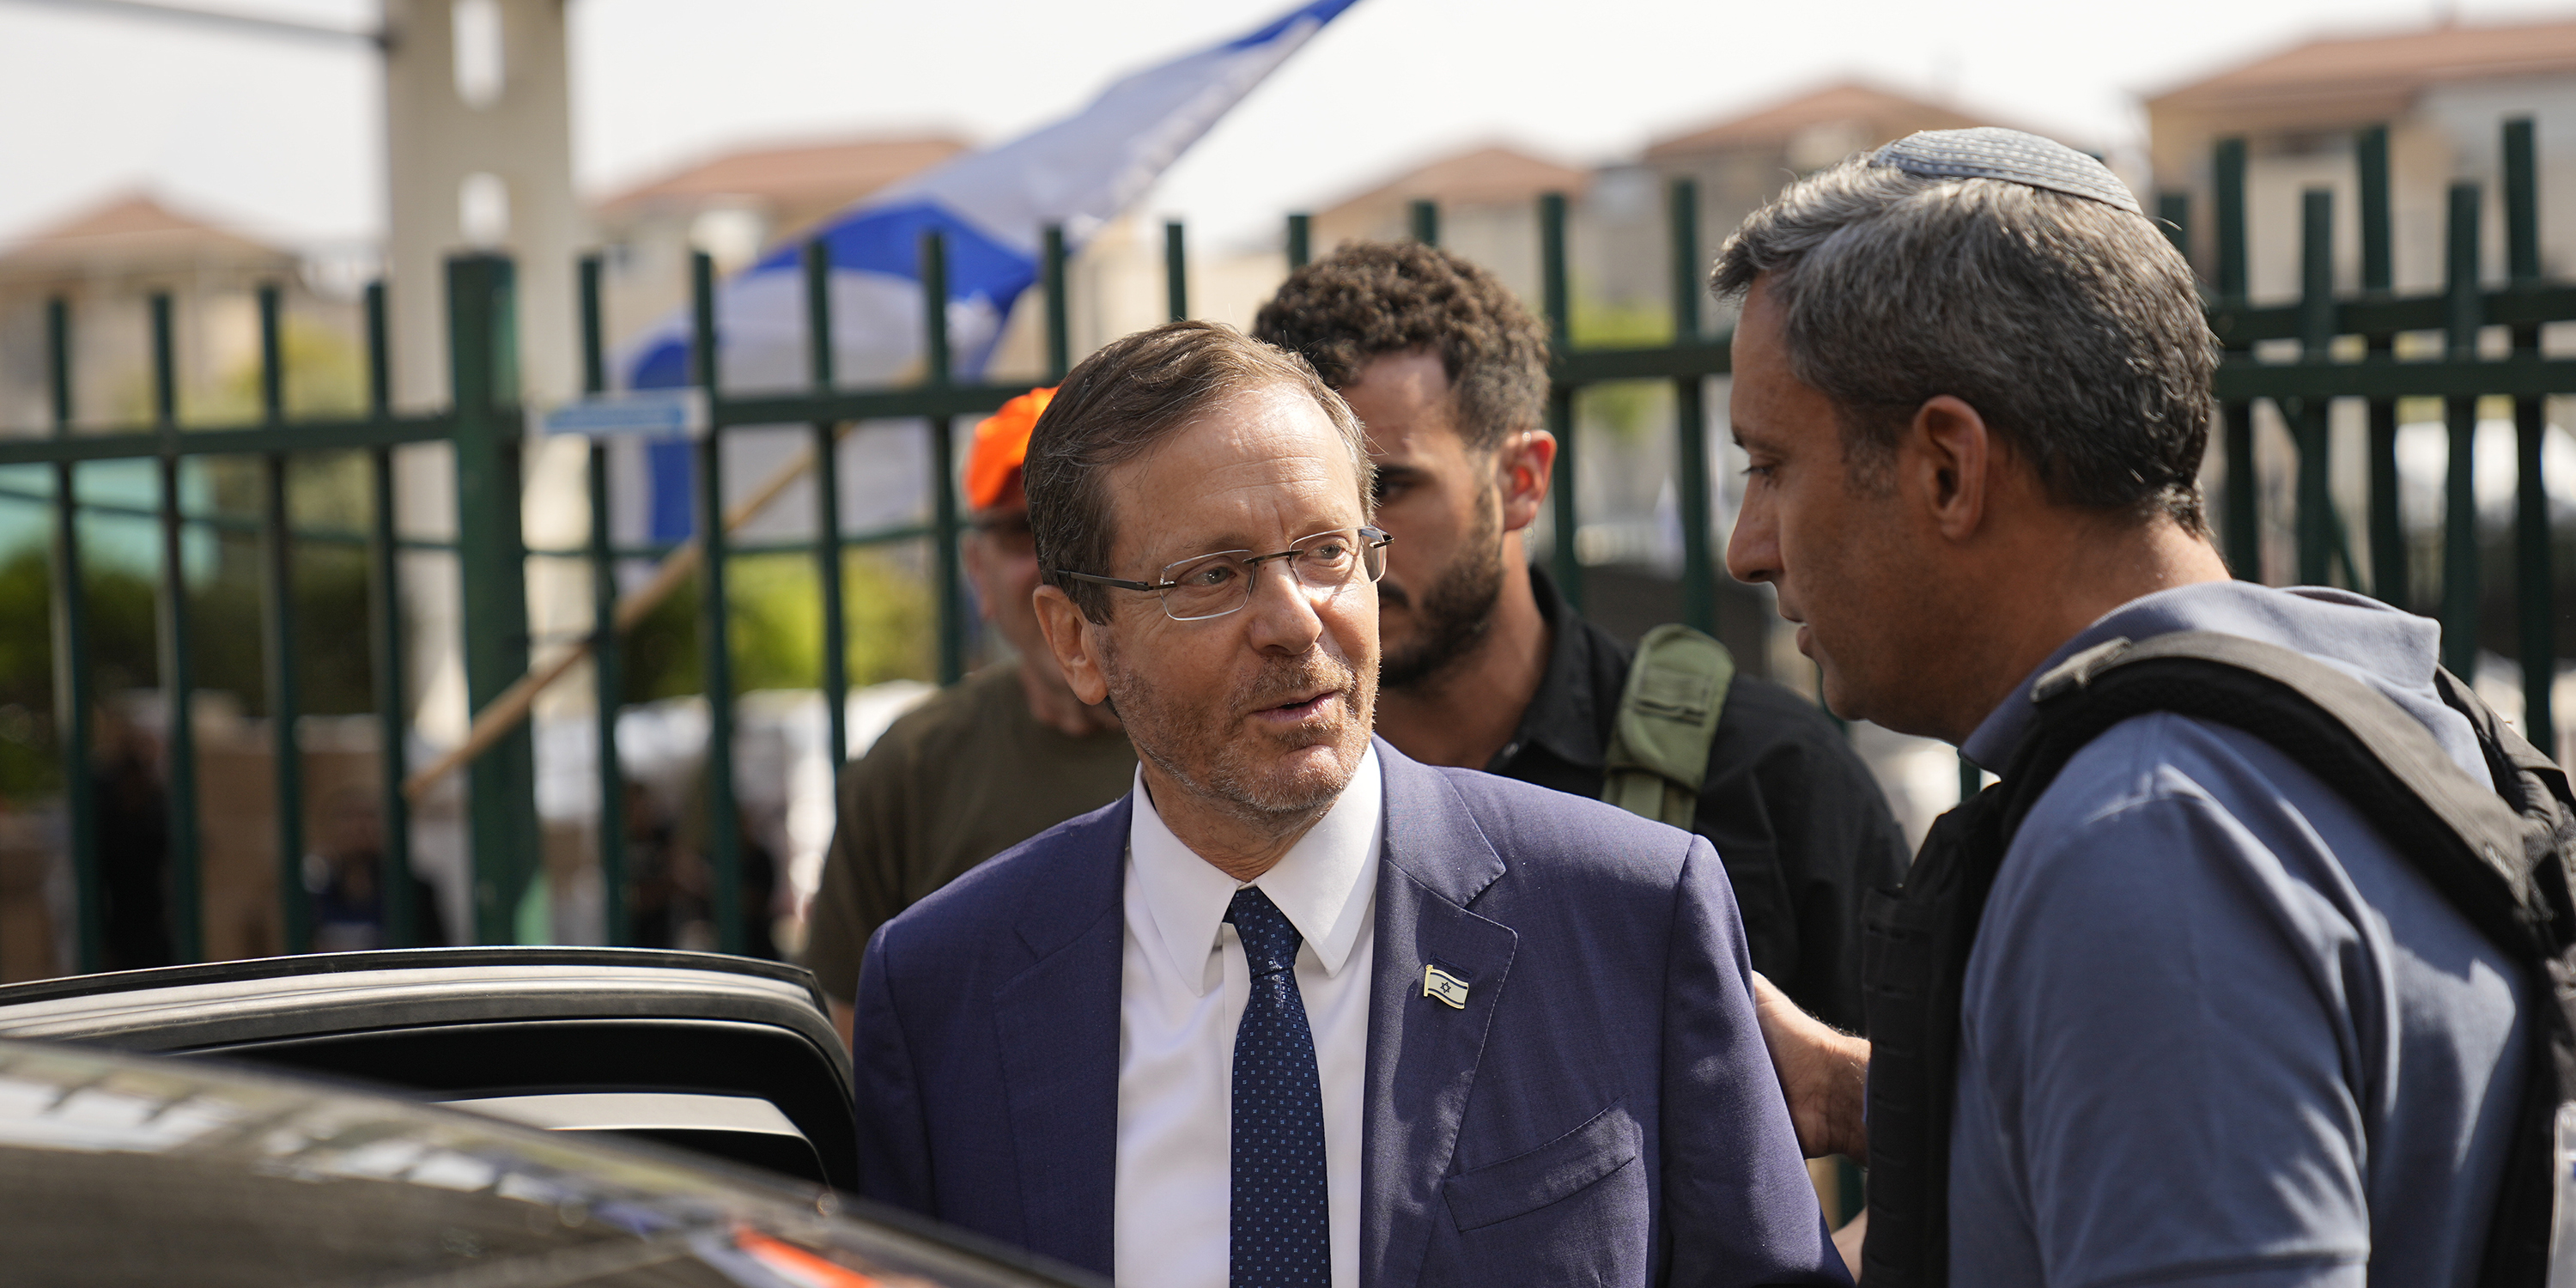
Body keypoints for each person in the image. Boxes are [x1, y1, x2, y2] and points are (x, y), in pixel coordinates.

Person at [850, 319, 1844, 1288]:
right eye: (1213, 575)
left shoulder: (1628, 912)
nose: (1293, 619)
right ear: (1078, 640)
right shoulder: (944, 991)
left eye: (1326, 551)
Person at [1716, 128, 2527, 1285]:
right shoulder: (2375, 709)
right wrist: (1884, 1096)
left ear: (1947, 466)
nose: (1749, 548)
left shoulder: (2152, 843)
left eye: (1770, 466)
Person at [1253, 242, 1907, 1032]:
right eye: (1310, 510)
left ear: (1522, 479)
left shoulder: (1767, 779)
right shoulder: (1233, 781)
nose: (1349, 551)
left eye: (1391, 489)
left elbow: (1913, 1124)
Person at [803, 387, 1135, 1042]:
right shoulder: (911, 768)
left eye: (1085, 526)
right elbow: (851, 1037)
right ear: (978, 571)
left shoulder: (1227, 736)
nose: (1057, 565)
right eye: (1024, 532)